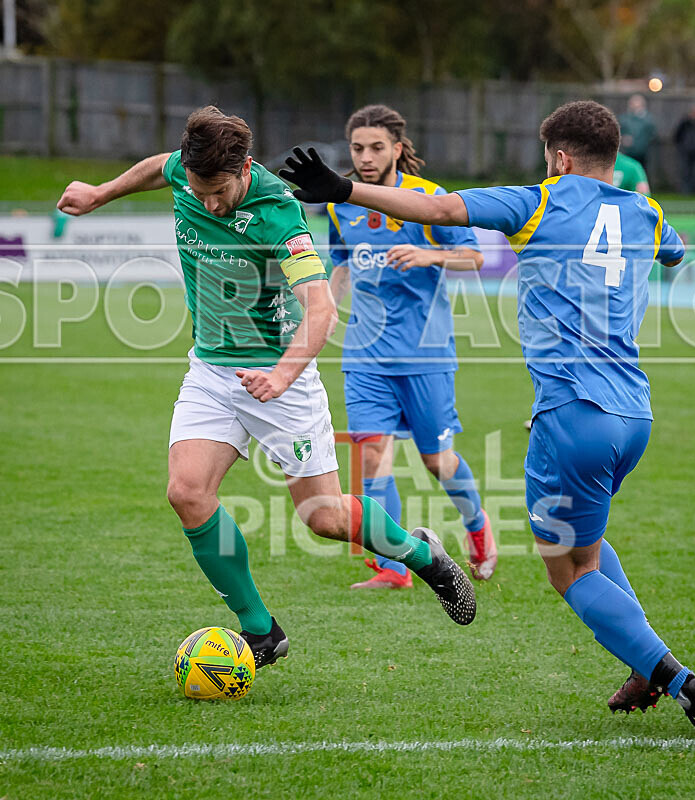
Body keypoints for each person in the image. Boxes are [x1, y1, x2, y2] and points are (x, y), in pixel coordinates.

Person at [280, 100, 695, 735]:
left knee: (566, 569)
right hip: (635, 414)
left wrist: (344, 189)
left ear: (559, 157)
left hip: (572, 414)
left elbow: (442, 209)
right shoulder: (647, 211)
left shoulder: (541, 200)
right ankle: (642, 665)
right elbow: (676, 255)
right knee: (590, 541)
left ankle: (685, 684)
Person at [56, 106, 477, 668]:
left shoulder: (278, 209)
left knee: (324, 518)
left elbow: (322, 309)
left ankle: (422, 555)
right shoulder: (189, 170)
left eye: (220, 192)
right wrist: (101, 193)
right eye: (199, 190)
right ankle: (260, 629)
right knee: (186, 492)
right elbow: (160, 167)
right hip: (211, 372)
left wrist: (281, 376)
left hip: (283, 377)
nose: (208, 202)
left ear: (246, 168)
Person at [328, 104, 497, 589]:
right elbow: (342, 263)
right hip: (365, 353)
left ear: (398, 150)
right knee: (372, 457)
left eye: (376, 147)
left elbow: (475, 256)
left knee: (436, 462)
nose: (364, 157)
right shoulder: (342, 202)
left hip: (426, 353)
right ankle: (396, 566)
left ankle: (477, 525)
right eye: (357, 148)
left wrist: (430, 253)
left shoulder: (429, 199)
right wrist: (323, 308)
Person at [619, 94, 656, 172]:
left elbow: (652, 134)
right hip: (627, 153)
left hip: (643, 154)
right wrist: (623, 139)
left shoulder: (648, 119)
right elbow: (619, 132)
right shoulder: (624, 118)